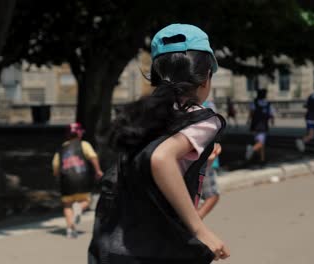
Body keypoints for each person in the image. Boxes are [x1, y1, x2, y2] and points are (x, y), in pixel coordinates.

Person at [89, 24, 230, 263]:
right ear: (206, 77)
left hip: (116, 246)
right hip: (161, 249)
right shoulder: (202, 119)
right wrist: (200, 229)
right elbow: (161, 158)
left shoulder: (141, 114)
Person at [52, 123, 103, 238]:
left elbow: (55, 166)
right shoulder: (84, 144)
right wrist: (98, 170)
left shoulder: (61, 148)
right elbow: (93, 157)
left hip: (66, 180)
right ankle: (79, 208)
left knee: (67, 205)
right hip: (82, 178)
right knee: (87, 200)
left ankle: (70, 229)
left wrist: (58, 177)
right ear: (79, 134)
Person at [245, 89, 275, 163]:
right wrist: (272, 121)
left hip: (255, 125)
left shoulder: (254, 103)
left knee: (260, 142)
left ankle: (262, 158)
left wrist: (248, 121)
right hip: (263, 126)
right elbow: (272, 114)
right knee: (261, 143)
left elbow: (251, 113)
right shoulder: (268, 104)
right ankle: (252, 149)